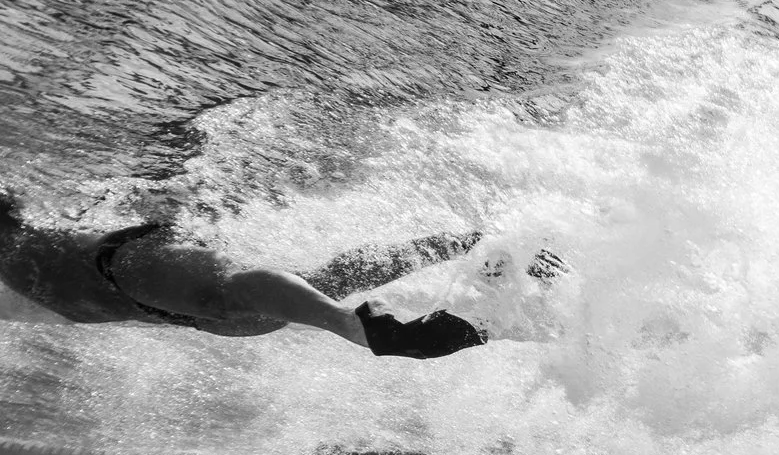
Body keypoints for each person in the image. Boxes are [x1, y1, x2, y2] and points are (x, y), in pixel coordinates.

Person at [0, 187, 490, 358]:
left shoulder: (23, 245)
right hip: (155, 293)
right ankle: (468, 246)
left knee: (239, 294)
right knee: (271, 294)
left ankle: (350, 325)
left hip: (123, 269)